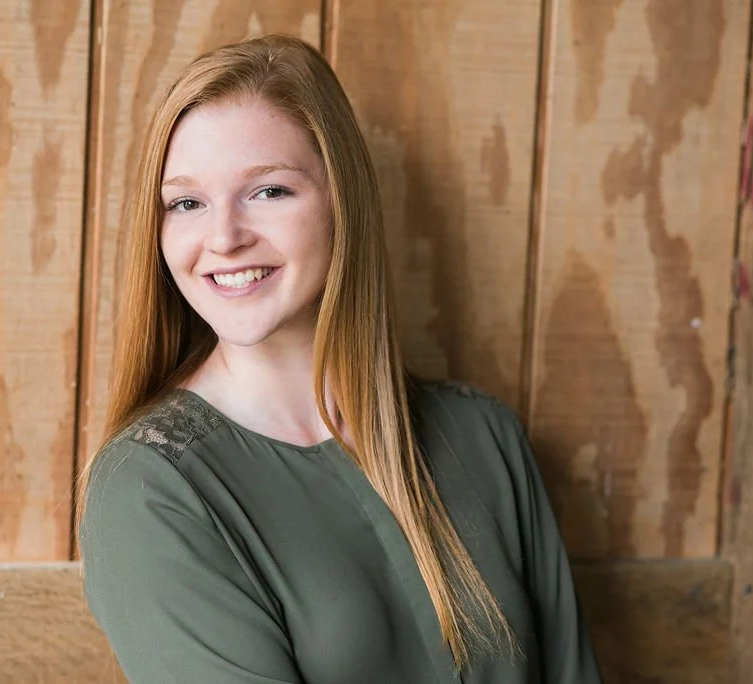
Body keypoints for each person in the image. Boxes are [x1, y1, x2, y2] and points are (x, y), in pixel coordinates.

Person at [77, 34, 602, 684]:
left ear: (342, 199)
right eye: (186, 203)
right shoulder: (151, 491)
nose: (224, 238)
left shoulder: (486, 439)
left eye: (268, 191)